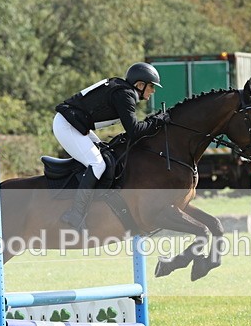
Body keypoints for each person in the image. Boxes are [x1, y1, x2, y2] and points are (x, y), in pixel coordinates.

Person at [53, 62, 168, 230]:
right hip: (67, 125)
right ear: (140, 85)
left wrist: (153, 121)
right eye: (151, 86)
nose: (153, 91)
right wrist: (156, 122)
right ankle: (75, 214)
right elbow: (134, 130)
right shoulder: (125, 95)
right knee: (97, 164)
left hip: (76, 124)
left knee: (107, 156)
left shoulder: (123, 90)